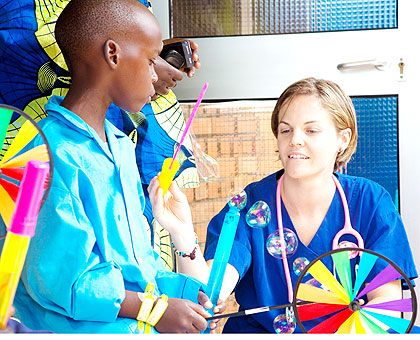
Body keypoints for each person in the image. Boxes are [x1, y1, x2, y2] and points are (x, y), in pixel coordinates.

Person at [12, 0, 222, 333]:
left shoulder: (121, 146)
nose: (157, 75)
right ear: (113, 54)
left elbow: (135, 264)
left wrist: (179, 291)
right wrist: (155, 310)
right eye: (152, 60)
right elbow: (62, 283)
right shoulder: (46, 155)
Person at [148, 77, 418, 333]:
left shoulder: (369, 201)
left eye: (311, 130)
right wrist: (182, 234)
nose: (295, 139)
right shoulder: (248, 205)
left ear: (342, 139)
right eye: (286, 130)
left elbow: (388, 304)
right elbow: (210, 293)